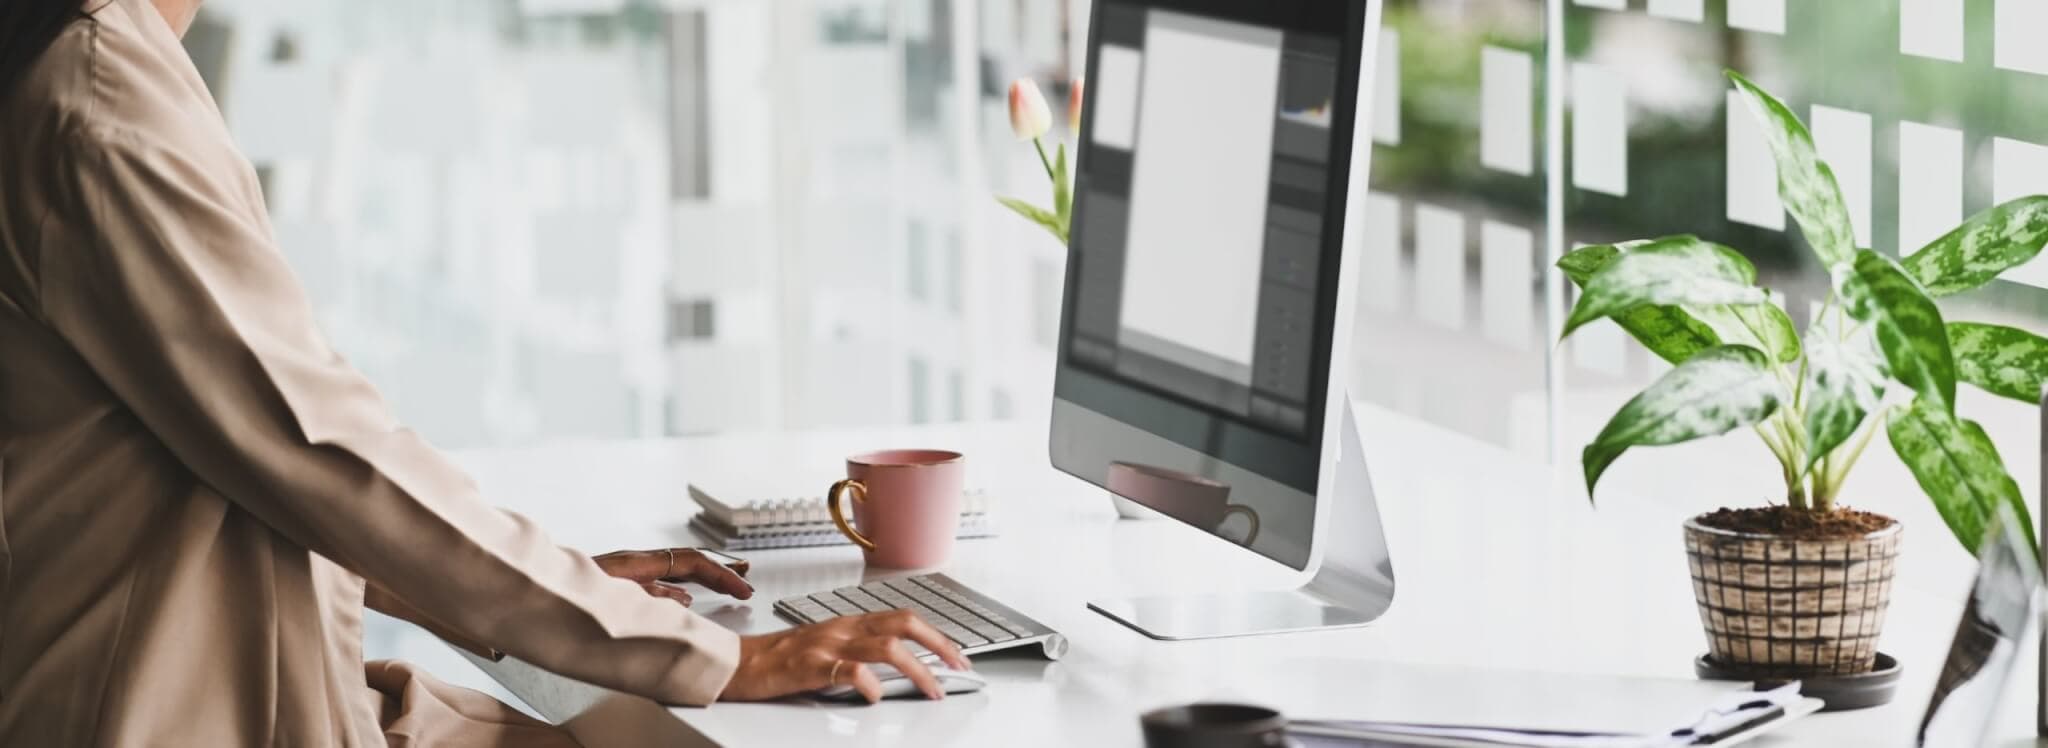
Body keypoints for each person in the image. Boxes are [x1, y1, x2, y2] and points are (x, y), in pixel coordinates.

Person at [0, 0, 971, 744]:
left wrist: (577, 592)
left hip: (253, 681)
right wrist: (712, 654)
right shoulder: (102, 103)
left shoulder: (105, 68)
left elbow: (244, 461)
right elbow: (323, 453)